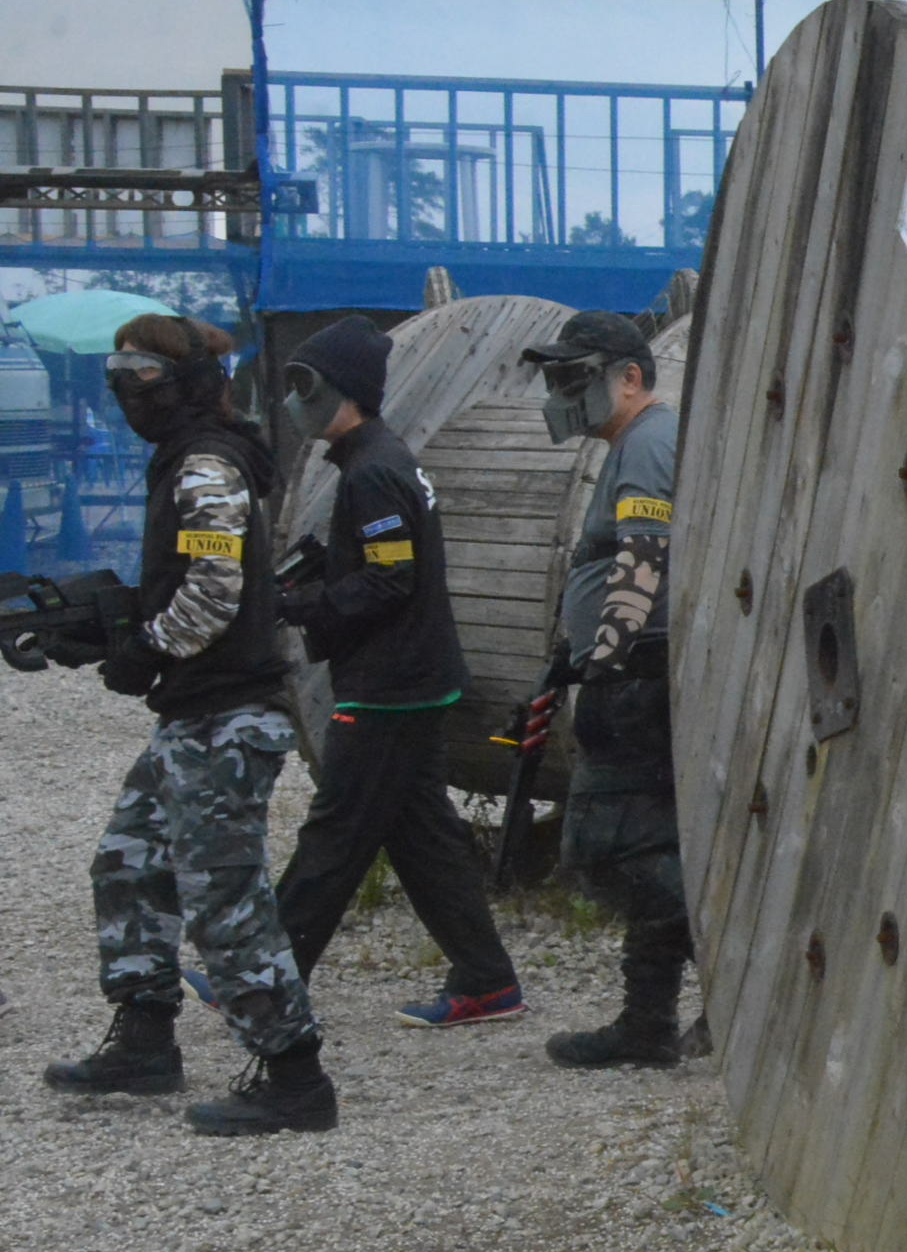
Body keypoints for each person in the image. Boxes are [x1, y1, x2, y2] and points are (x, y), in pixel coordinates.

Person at [39, 314, 340, 1136]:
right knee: (128, 864)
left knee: (224, 898)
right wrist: (102, 629)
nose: (128, 391)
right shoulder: (185, 456)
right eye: (120, 375)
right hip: (195, 713)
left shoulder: (207, 462)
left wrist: (144, 650)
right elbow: (184, 581)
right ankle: (144, 1039)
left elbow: (213, 588)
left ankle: (296, 1077)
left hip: (228, 717)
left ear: (192, 383)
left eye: (143, 374)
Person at [269, 315, 528, 1027]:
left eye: (304, 385)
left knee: (335, 834)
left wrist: (300, 605)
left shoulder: (374, 471)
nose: (293, 401)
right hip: (410, 679)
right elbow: (384, 568)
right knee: (423, 840)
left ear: (343, 391)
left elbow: (390, 581)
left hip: (389, 686)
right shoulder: (377, 461)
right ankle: (488, 982)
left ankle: (265, 976)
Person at [521, 311, 691, 1068]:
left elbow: (644, 553)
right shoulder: (637, 442)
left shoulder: (650, 441)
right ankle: (649, 1023)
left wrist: (609, 658)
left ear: (630, 376)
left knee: (612, 846)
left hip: (638, 677)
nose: (561, 392)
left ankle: (732, 991)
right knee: (651, 844)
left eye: (574, 376)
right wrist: (575, 655)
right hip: (634, 669)